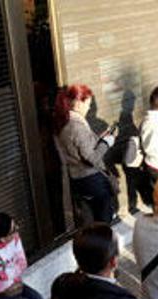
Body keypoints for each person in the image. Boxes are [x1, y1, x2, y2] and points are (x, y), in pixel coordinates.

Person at [53, 84, 117, 224]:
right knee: (104, 221)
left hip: (78, 179)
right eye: (87, 103)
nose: (89, 107)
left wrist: (99, 139)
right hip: (91, 179)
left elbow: (80, 148)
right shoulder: (76, 125)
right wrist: (107, 143)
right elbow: (91, 158)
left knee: (92, 220)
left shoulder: (64, 121)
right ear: (78, 103)